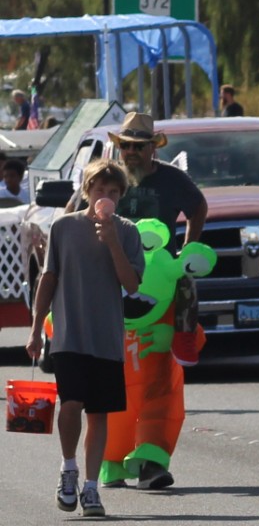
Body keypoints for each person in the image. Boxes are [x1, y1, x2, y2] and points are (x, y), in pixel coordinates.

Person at [25, 160, 144, 519]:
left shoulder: (128, 232)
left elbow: (132, 284)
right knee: (71, 403)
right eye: (99, 190)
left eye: (113, 192)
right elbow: (48, 278)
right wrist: (35, 329)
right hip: (68, 334)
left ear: (121, 196)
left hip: (106, 336)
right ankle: (68, 468)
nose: (105, 196)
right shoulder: (64, 227)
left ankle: (91, 487)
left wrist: (112, 241)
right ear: (88, 190)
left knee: (99, 413)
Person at [103, 111, 208, 490]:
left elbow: (198, 207)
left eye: (138, 146)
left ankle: (150, 461)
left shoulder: (172, 179)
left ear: (153, 148)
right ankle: (110, 458)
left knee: (162, 375)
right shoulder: (108, 179)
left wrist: (187, 248)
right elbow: (74, 212)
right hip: (111, 287)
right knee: (110, 376)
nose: (130, 152)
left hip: (160, 288)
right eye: (125, 146)